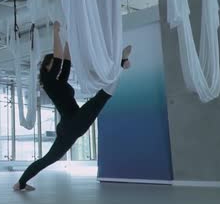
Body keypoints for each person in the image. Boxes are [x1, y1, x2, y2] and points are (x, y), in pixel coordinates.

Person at [13, 21, 132, 191]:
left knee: (102, 97)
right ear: (47, 68)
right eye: (53, 63)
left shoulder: (58, 81)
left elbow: (66, 60)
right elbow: (59, 57)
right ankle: (121, 62)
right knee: (101, 98)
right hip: (72, 123)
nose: (57, 64)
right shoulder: (48, 81)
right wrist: (56, 33)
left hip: (71, 124)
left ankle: (20, 183)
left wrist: (69, 39)